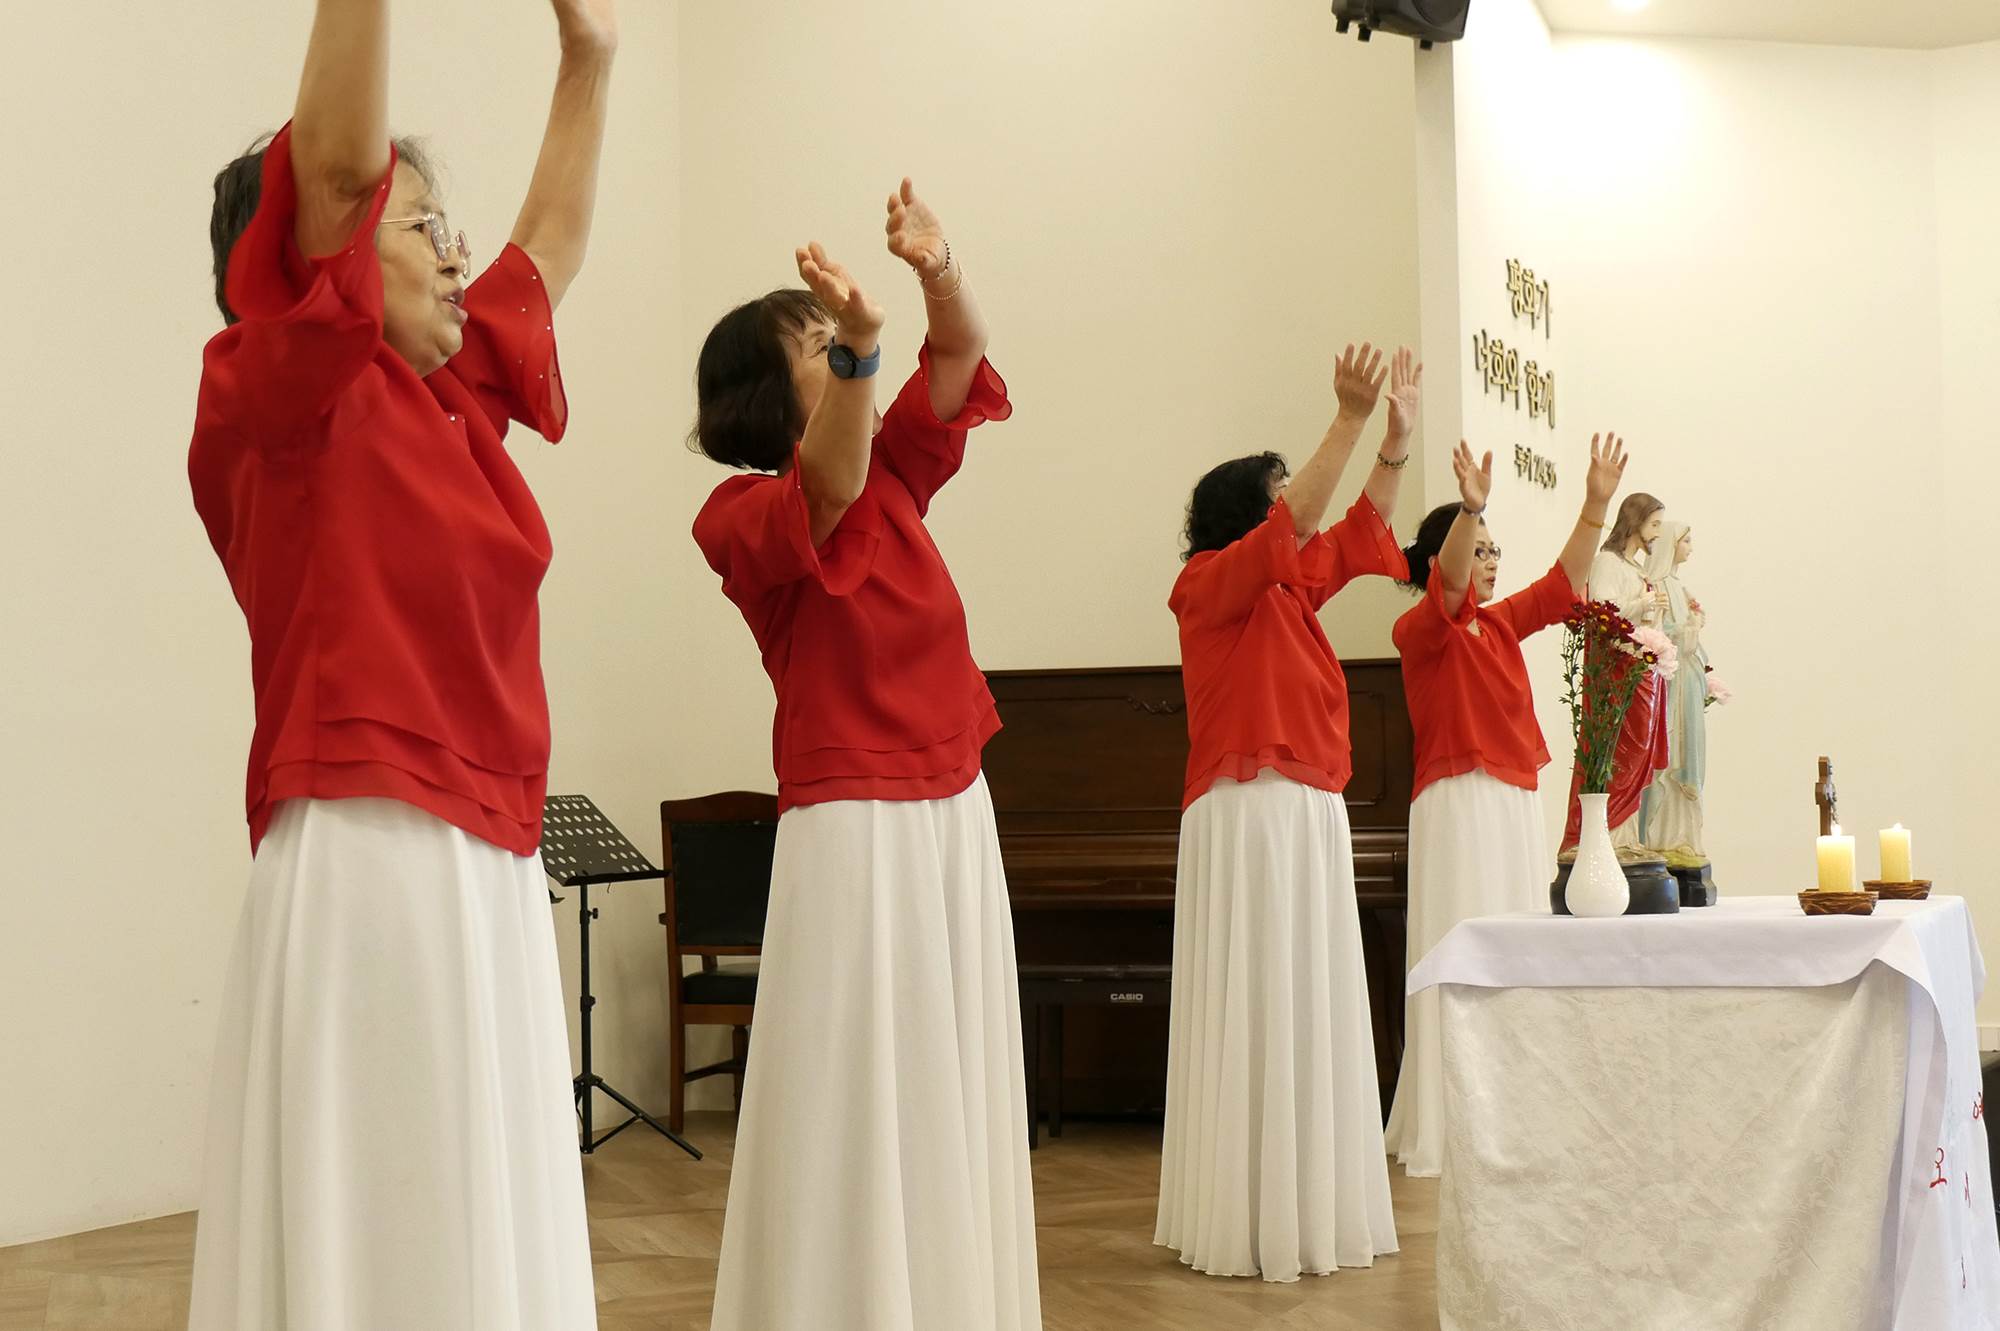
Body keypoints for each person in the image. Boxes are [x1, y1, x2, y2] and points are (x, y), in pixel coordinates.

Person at [186, 2, 618, 1326]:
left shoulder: (447, 395)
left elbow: (547, 250)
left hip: (487, 849)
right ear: (312, 257)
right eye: (420, 223)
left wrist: (589, 60)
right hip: (373, 839)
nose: (455, 249)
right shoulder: (281, 388)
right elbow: (334, 170)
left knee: (478, 1214)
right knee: (392, 1223)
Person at [689, 182, 1038, 1330]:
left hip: (951, 798)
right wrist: (862, 345)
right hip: (850, 816)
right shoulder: (736, 515)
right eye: (814, 341)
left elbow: (961, 351)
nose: (839, 345)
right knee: (863, 1077)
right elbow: (824, 486)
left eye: (835, 333)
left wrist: (936, 271)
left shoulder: (895, 467)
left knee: (949, 1063)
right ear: (765, 390)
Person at [1155, 344, 1415, 1281]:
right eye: (1274, 497)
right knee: (1259, 997)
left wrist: (1394, 440)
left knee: (1307, 998)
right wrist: (1346, 417)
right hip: (1249, 810)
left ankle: (1308, 1203)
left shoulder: (1294, 583)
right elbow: (1301, 517)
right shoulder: (1207, 582)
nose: (1290, 507)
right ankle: (1247, 1211)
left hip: (1305, 808)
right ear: (1246, 515)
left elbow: (1360, 525)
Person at [1382, 434, 1629, 1178]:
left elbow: (1563, 581)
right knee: (1464, 951)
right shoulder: (1421, 629)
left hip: (1512, 800)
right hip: (1458, 804)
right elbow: (1452, 580)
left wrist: (1595, 504)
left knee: (1517, 953)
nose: (1491, 560)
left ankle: (1513, 1110)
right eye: (1480, 549)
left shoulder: (1499, 623)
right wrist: (1469, 510)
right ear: (1442, 561)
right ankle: (1456, 1119)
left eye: (1495, 548)